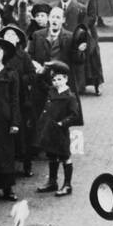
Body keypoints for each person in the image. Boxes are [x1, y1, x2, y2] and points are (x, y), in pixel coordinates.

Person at [35, 61, 82, 197]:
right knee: (52, 155)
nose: (56, 82)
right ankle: (52, 181)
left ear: (66, 79)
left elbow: (74, 115)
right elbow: (39, 83)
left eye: (60, 79)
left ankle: (67, 184)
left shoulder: (70, 97)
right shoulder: (51, 90)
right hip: (49, 131)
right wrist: (45, 69)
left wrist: (62, 123)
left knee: (65, 156)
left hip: (61, 132)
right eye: (54, 80)